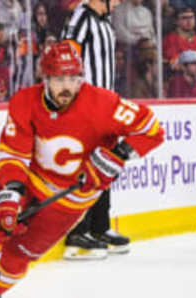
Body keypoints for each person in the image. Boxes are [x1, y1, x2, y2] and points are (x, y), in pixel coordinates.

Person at [0, 41, 164, 298]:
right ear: (46, 78)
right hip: (30, 181)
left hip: (70, 199)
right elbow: (14, 153)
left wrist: (117, 155)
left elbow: (152, 129)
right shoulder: (24, 101)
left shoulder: (102, 103)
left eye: (74, 78)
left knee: (17, 257)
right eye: (60, 78)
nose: (67, 86)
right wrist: (12, 191)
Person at [61, 0, 131, 259]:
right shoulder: (81, 18)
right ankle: (78, 230)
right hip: (85, 106)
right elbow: (66, 59)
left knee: (104, 165)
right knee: (86, 166)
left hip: (105, 105)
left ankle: (100, 227)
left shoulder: (104, 21)